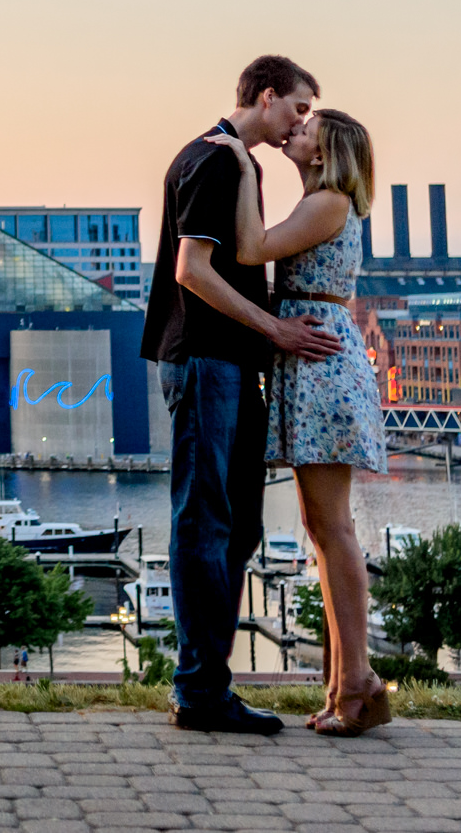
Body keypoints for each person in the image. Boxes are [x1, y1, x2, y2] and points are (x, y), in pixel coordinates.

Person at [144, 55, 340, 734]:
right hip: (206, 360)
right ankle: (200, 692)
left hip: (230, 363)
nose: (302, 120)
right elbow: (191, 269)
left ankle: (206, 683)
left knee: (239, 525)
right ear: (266, 96)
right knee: (205, 523)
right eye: (299, 106)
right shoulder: (216, 160)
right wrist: (276, 329)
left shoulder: (236, 162)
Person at [209, 105, 390, 737]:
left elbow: (251, 248)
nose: (297, 131)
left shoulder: (328, 202)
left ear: (324, 151)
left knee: (332, 528)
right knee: (320, 526)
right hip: (311, 358)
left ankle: (358, 682)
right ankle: (345, 685)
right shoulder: (323, 202)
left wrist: (238, 162)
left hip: (320, 363)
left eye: (309, 129)